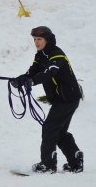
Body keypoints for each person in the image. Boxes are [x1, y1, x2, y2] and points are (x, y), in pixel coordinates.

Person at [9, 26, 84, 173]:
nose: (36, 42)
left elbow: (49, 72)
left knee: (49, 128)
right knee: (59, 132)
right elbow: (33, 71)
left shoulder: (57, 55)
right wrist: (22, 79)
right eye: (35, 39)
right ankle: (76, 160)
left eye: (39, 39)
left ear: (47, 40)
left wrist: (33, 81)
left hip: (67, 98)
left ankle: (48, 164)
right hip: (62, 98)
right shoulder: (40, 55)